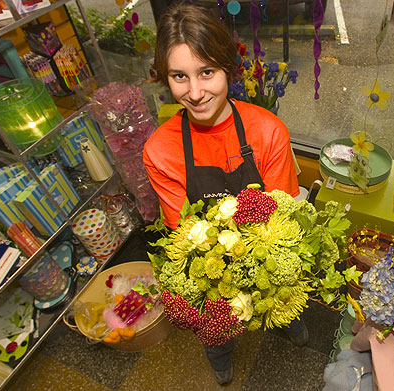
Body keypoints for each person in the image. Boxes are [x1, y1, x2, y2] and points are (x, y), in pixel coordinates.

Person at [143, 3, 307, 385]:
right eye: (179, 76)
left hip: (269, 246)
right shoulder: (160, 150)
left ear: (227, 69)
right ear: (165, 79)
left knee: (285, 292)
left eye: (207, 72)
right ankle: (219, 356)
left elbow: (283, 216)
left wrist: (265, 271)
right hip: (211, 262)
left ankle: (290, 318)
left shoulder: (267, 131)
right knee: (214, 324)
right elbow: (183, 234)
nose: (195, 92)